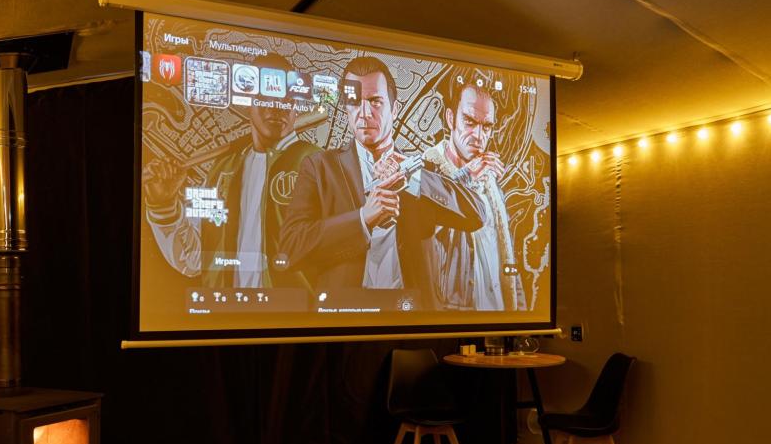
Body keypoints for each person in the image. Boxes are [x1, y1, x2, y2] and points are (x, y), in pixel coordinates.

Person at [278, 56, 484, 306]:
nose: (365, 113)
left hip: (410, 315)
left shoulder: (424, 168)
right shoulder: (319, 166)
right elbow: (290, 248)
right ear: (346, 108)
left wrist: (412, 176)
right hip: (343, 316)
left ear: (394, 109)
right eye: (355, 102)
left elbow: (476, 214)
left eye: (375, 101)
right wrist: (363, 220)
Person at [144, 53, 320, 288]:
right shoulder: (221, 171)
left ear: (295, 105)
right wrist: (163, 205)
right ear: (248, 102)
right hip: (227, 308)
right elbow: (194, 260)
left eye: (285, 99)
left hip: (293, 310)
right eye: (265, 97)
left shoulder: (319, 165)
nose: (276, 108)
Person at [422, 69, 526, 310]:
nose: (478, 136)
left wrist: (520, 313)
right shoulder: (426, 171)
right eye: (469, 122)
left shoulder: (491, 184)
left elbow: (506, 256)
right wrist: (466, 177)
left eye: (487, 127)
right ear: (450, 118)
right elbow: (427, 239)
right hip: (451, 316)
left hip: (498, 314)